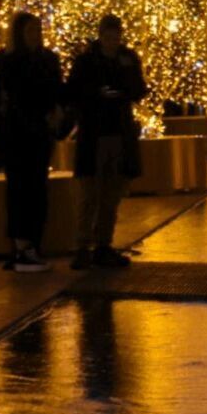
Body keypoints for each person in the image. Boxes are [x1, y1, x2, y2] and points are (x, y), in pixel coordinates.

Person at [0, 12, 64, 272]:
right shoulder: (7, 63)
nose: (35, 36)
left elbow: (55, 93)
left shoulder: (45, 60)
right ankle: (22, 247)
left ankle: (30, 245)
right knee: (20, 190)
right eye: (30, 31)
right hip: (16, 136)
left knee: (35, 189)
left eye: (38, 30)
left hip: (37, 135)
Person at [66, 14, 147, 269]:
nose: (113, 41)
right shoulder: (87, 60)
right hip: (94, 132)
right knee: (90, 192)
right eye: (108, 37)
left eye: (116, 37)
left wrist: (124, 89)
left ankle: (103, 244)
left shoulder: (127, 59)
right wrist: (96, 94)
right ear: (100, 36)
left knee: (111, 193)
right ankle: (82, 246)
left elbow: (139, 89)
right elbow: (74, 91)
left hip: (118, 131)